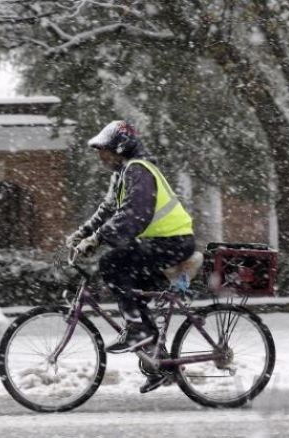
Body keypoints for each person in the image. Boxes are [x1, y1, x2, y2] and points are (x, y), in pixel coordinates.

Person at [66, 120, 195, 393]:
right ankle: (158, 362)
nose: (101, 156)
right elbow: (108, 209)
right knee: (133, 290)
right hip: (161, 242)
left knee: (111, 263)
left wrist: (98, 239)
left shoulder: (139, 170)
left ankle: (139, 330)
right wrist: (83, 234)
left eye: (105, 150)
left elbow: (135, 214)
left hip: (172, 242)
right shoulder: (123, 173)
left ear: (121, 147)